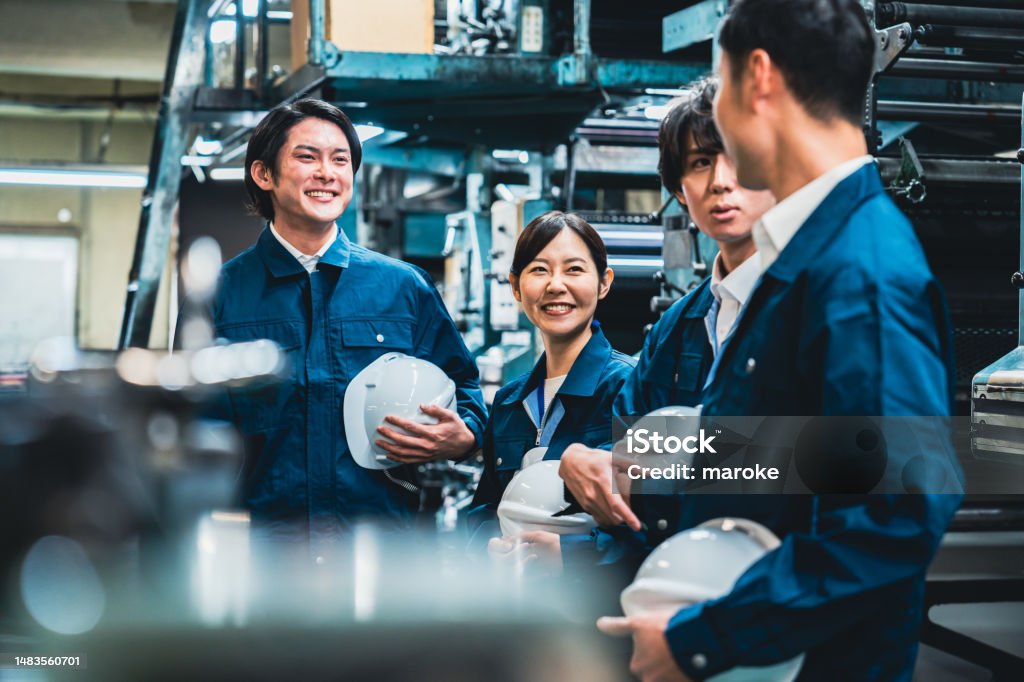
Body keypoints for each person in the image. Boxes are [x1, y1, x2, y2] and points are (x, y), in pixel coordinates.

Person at [591, 2, 963, 681]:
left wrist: (707, 638)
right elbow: (803, 457)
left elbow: (897, 513)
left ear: (757, 79)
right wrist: (642, 458)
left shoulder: (858, 271)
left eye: (721, 85)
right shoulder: (807, 256)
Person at [207, 98, 486, 538]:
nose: (327, 173)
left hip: (381, 545)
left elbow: (464, 386)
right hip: (263, 551)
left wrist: (466, 436)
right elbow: (194, 429)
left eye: (340, 160)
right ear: (264, 174)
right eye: (306, 157)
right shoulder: (222, 294)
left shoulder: (402, 288)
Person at [558, 76, 775, 531]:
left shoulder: (816, 307)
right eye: (699, 163)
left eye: (737, 157)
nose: (720, 182)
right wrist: (579, 462)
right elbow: (623, 464)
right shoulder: (676, 329)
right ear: (679, 190)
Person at [468, 211, 635, 565]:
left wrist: (571, 555)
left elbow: (662, 515)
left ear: (604, 282)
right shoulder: (509, 402)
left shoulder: (630, 387)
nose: (555, 285)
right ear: (515, 286)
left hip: (598, 606)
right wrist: (487, 546)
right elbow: (485, 509)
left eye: (574, 269)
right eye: (539, 270)